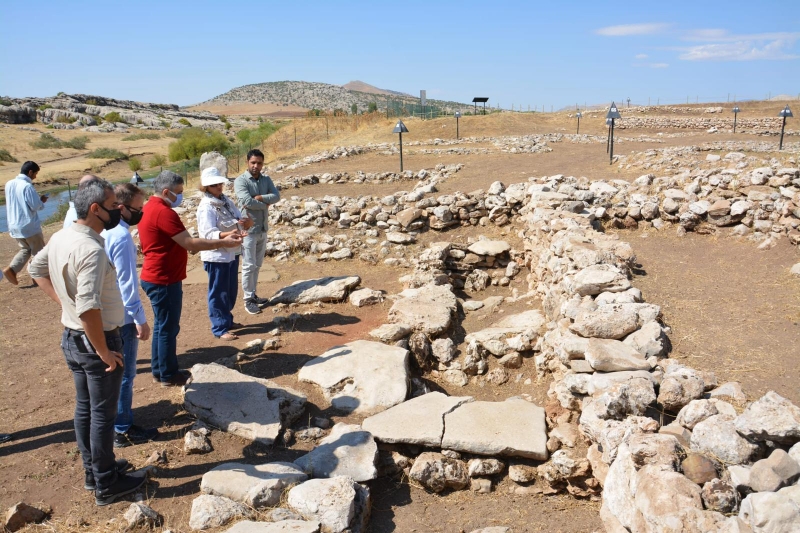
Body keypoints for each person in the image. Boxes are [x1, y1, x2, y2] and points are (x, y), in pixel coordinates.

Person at [29, 178, 146, 506]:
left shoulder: (62, 235)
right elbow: (88, 307)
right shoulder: (91, 248)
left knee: (86, 410)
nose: (118, 210)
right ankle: (107, 484)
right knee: (102, 415)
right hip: (96, 341)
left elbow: (36, 272)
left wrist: (65, 306)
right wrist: (104, 351)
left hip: (72, 337)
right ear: (95, 209)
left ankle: (93, 472)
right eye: (112, 206)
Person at [139, 170, 242, 387]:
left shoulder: (149, 207)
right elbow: (190, 243)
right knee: (168, 327)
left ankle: (159, 369)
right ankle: (168, 374)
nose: (180, 197)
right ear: (166, 192)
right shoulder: (164, 213)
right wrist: (223, 243)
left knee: (162, 325)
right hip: (164, 278)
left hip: (157, 275)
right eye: (178, 193)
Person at [102, 183, 158, 448]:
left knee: (114, 373)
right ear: (122, 208)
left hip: (106, 313)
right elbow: (126, 282)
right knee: (126, 374)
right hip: (123, 317)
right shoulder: (122, 237)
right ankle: (122, 427)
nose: (142, 211)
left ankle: (115, 422)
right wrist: (139, 317)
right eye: (138, 207)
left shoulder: (105, 231)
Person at [197, 167, 253, 340]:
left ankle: (226, 320)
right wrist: (228, 234)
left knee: (229, 289)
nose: (218, 187)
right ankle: (219, 327)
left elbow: (238, 220)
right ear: (206, 187)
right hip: (217, 255)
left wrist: (246, 223)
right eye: (214, 185)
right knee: (218, 291)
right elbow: (207, 234)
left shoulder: (225, 200)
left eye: (219, 184)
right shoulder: (206, 207)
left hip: (232, 251)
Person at [234, 149, 280, 315]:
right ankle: (248, 299)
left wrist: (260, 199)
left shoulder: (266, 179)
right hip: (248, 229)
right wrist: (265, 203)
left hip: (262, 227)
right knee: (248, 265)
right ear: (247, 162)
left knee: (258, 264)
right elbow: (245, 201)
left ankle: (253, 294)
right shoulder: (240, 181)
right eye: (253, 162)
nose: (256, 166)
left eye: (259, 163)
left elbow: (276, 196)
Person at [3, 161, 48, 285]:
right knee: (38, 252)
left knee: (26, 249)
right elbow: (35, 206)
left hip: (14, 225)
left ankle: (12, 269)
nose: (35, 177)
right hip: (28, 225)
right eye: (35, 174)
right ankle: (38, 278)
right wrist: (42, 201)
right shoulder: (26, 186)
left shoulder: (9, 184)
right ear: (30, 172)